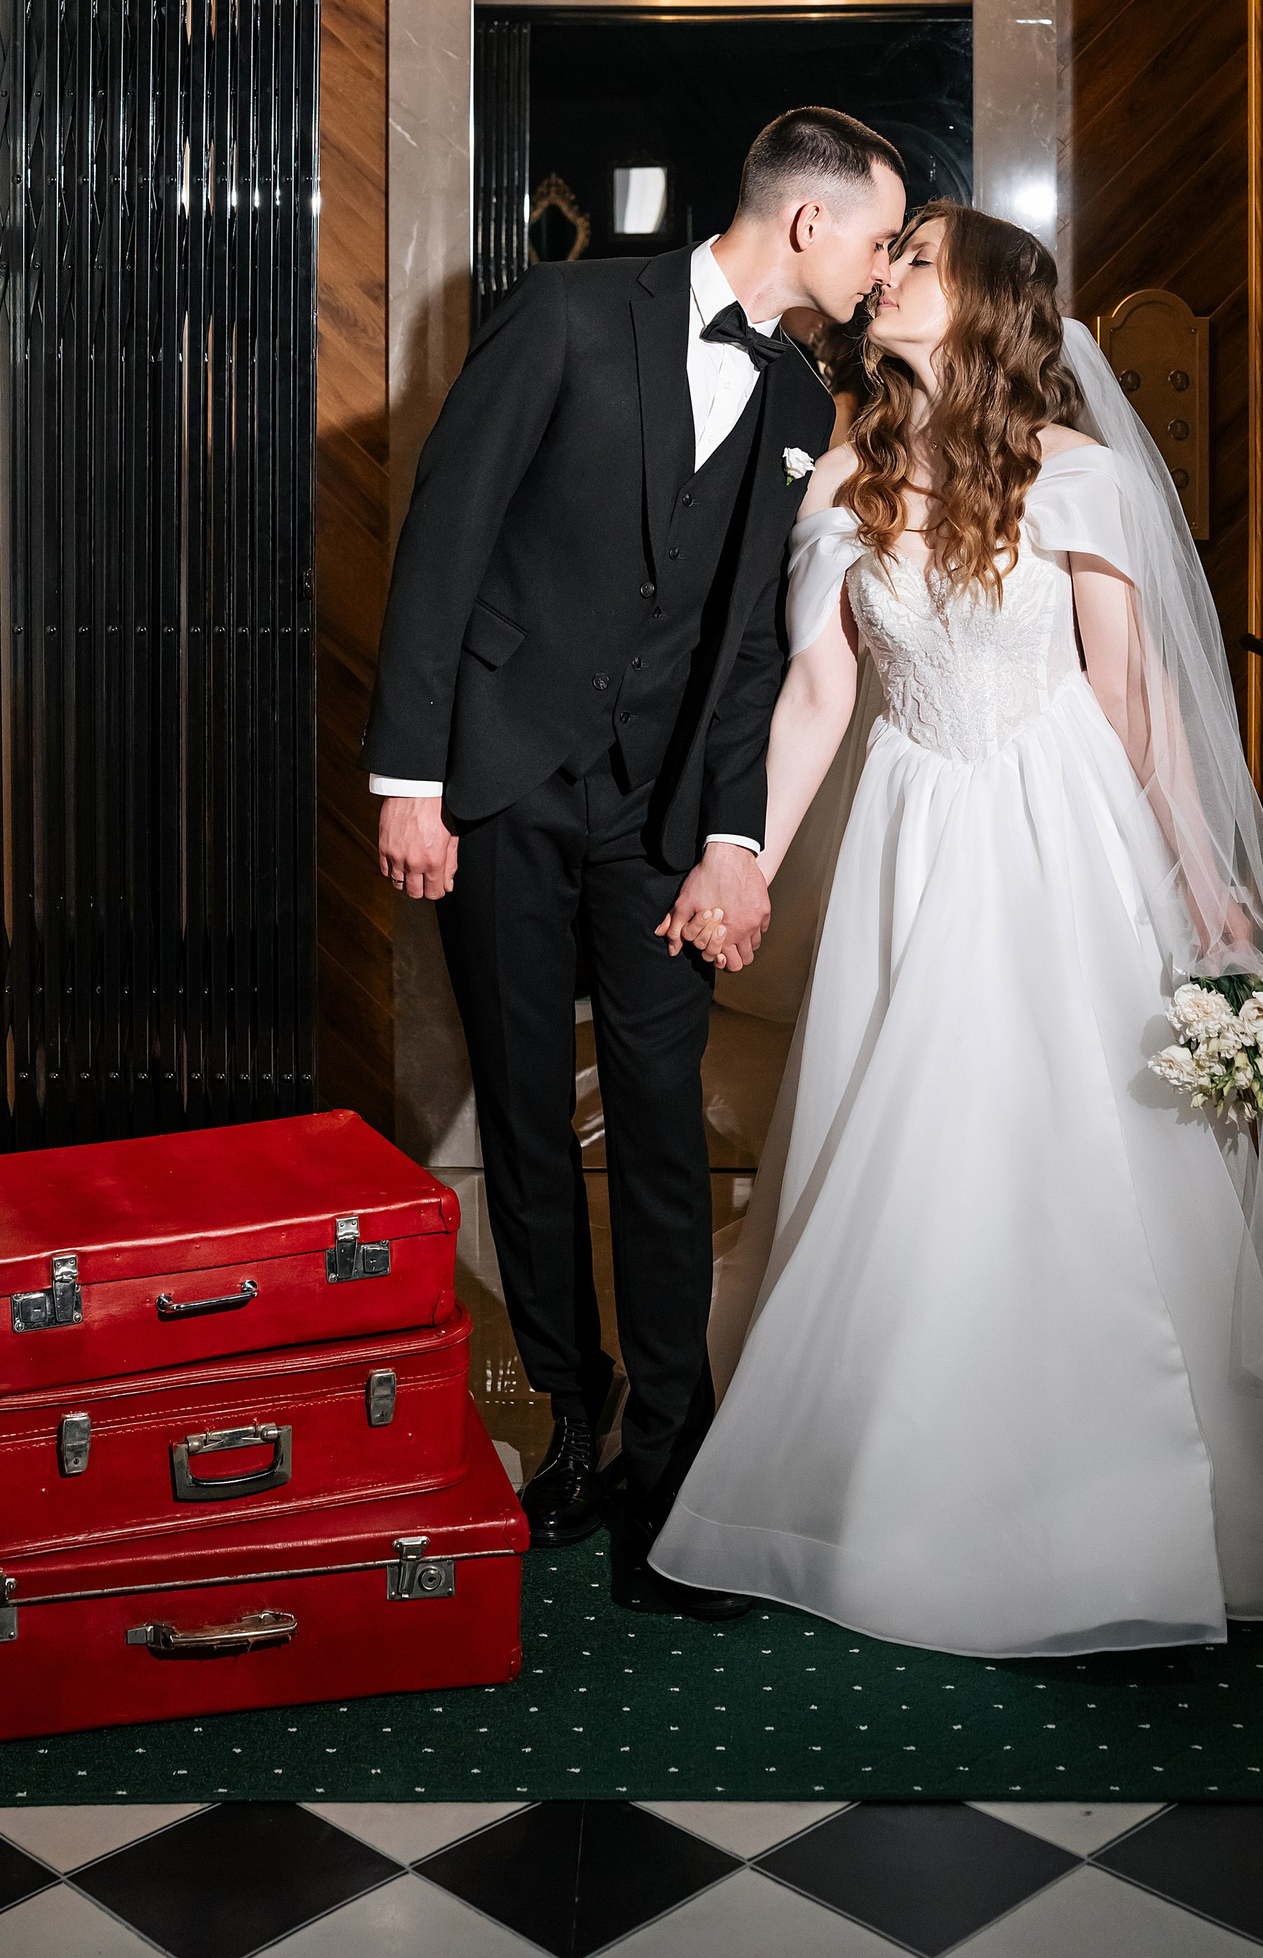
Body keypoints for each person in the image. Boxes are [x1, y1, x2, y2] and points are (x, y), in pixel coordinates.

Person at [653, 201, 1263, 1655]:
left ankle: (1115, 1513)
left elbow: (1132, 696)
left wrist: (1201, 876)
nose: (886, 275)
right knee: (911, 1142)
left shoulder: (1081, 477)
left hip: (1062, 835)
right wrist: (746, 866)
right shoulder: (844, 478)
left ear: (990, 301)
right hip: (910, 830)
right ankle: (898, 1498)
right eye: (890, 255)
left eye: (919, 259)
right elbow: (817, 697)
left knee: (1078, 1153)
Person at [363, 108, 907, 1619]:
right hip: (501, 786)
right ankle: (570, 1409)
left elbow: (749, 653)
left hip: (660, 818)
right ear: (809, 222)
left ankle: (674, 1458)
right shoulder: (564, 314)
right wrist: (412, 780)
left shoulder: (799, 393)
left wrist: (732, 836)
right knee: (526, 1112)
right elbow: (444, 538)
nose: (881, 267)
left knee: (662, 1121)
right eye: (877, 238)